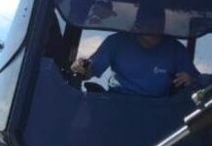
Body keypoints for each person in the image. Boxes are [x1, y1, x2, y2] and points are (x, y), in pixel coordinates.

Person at [72, 5, 203, 97]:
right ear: (137, 25)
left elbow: (198, 83)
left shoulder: (176, 49)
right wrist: (80, 67)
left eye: (159, 26)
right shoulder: (116, 42)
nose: (155, 31)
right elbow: (89, 70)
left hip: (159, 113)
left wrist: (191, 80)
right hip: (115, 105)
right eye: (150, 25)